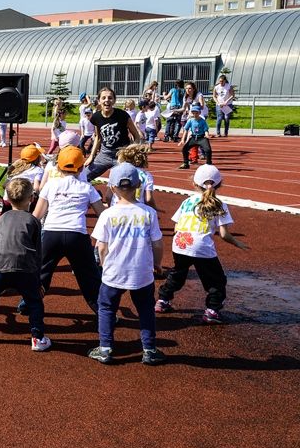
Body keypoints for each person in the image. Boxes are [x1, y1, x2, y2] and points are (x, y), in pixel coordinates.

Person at [88, 163, 165, 365]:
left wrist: (104, 265)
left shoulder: (107, 214)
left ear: (112, 187)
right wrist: (157, 264)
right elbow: (157, 243)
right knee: (146, 309)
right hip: (142, 272)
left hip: (114, 271)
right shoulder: (149, 213)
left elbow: (101, 246)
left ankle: (105, 348)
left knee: (106, 308)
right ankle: (149, 349)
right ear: (138, 184)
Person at [155, 165, 247, 323]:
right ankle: (212, 310)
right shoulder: (219, 204)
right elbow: (224, 234)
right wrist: (238, 243)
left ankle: (163, 300)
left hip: (180, 244)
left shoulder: (186, 201)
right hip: (202, 247)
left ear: (194, 183)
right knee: (216, 280)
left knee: (177, 273)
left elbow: (176, 226)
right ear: (219, 184)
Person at [0, 177, 49, 349]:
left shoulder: (1, 219)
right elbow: (38, 254)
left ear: (7, 199)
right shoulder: (33, 221)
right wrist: (39, 281)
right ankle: (37, 337)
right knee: (34, 302)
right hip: (25, 268)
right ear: (31, 199)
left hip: (0, 266)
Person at [33, 147, 104, 313]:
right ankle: (102, 312)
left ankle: (27, 304)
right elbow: (102, 214)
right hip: (77, 234)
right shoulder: (87, 188)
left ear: (58, 167)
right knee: (88, 276)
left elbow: (37, 215)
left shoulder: (50, 185)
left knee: (42, 273)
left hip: (51, 233)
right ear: (81, 168)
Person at [85, 87, 141, 181]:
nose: (107, 100)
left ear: (114, 101)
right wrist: (91, 156)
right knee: (83, 177)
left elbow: (137, 137)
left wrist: (127, 151)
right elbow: (98, 138)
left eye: (110, 98)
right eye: (104, 98)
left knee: (124, 181)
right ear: (99, 101)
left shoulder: (123, 115)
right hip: (104, 154)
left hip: (121, 154)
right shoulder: (96, 117)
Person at [115, 143, 156, 209]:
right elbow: (148, 199)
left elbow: (108, 196)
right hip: (138, 209)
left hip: (117, 206)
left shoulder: (116, 171)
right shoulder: (146, 175)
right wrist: (154, 209)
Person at [178, 104, 213, 169]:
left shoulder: (202, 121)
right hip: (193, 138)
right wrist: (183, 139)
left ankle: (209, 164)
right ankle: (186, 163)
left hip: (202, 138)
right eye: (193, 113)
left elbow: (206, 130)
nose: (195, 114)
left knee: (208, 150)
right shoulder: (190, 120)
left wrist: (207, 135)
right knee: (184, 149)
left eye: (196, 113)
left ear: (199, 113)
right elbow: (186, 130)